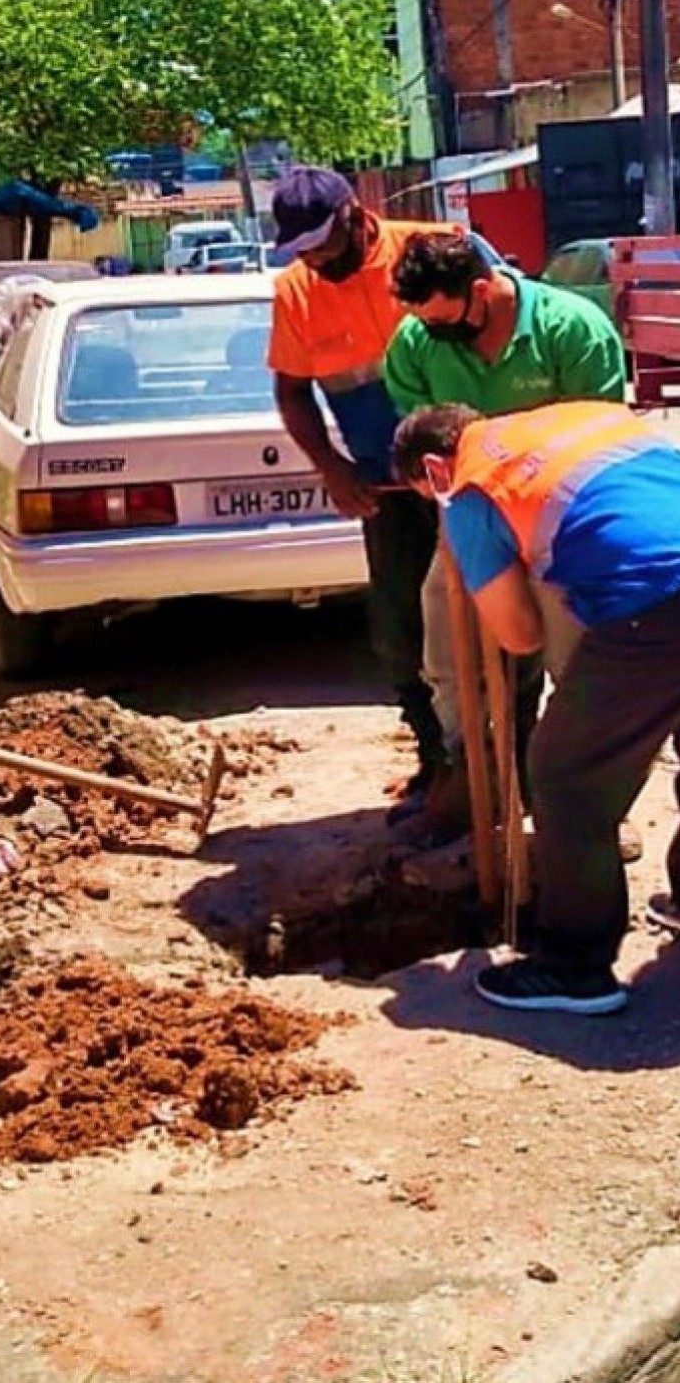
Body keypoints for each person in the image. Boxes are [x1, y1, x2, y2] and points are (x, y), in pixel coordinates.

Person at [391, 399, 680, 1014]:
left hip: (657, 600)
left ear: (435, 469)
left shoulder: (470, 489)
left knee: (566, 777)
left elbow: (520, 635)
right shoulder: (583, 418)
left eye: (425, 495)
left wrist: (486, 556)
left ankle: (576, 969)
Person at [383, 231, 627, 840]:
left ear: (482, 290)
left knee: (577, 658)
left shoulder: (571, 328)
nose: (432, 333)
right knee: (444, 622)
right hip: (471, 512)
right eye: (423, 322)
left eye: (445, 320)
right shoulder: (415, 344)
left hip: (561, 520)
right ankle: (471, 777)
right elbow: (427, 447)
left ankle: (595, 810)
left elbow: (601, 439)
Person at [266, 167, 498, 800]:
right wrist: (332, 468)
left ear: (352, 214)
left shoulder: (430, 248)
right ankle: (439, 765)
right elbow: (291, 391)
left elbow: (505, 323)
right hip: (387, 488)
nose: (313, 257)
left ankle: (514, 769)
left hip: (474, 477)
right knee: (400, 627)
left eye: (321, 241)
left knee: (499, 623)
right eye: (301, 248)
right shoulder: (296, 292)